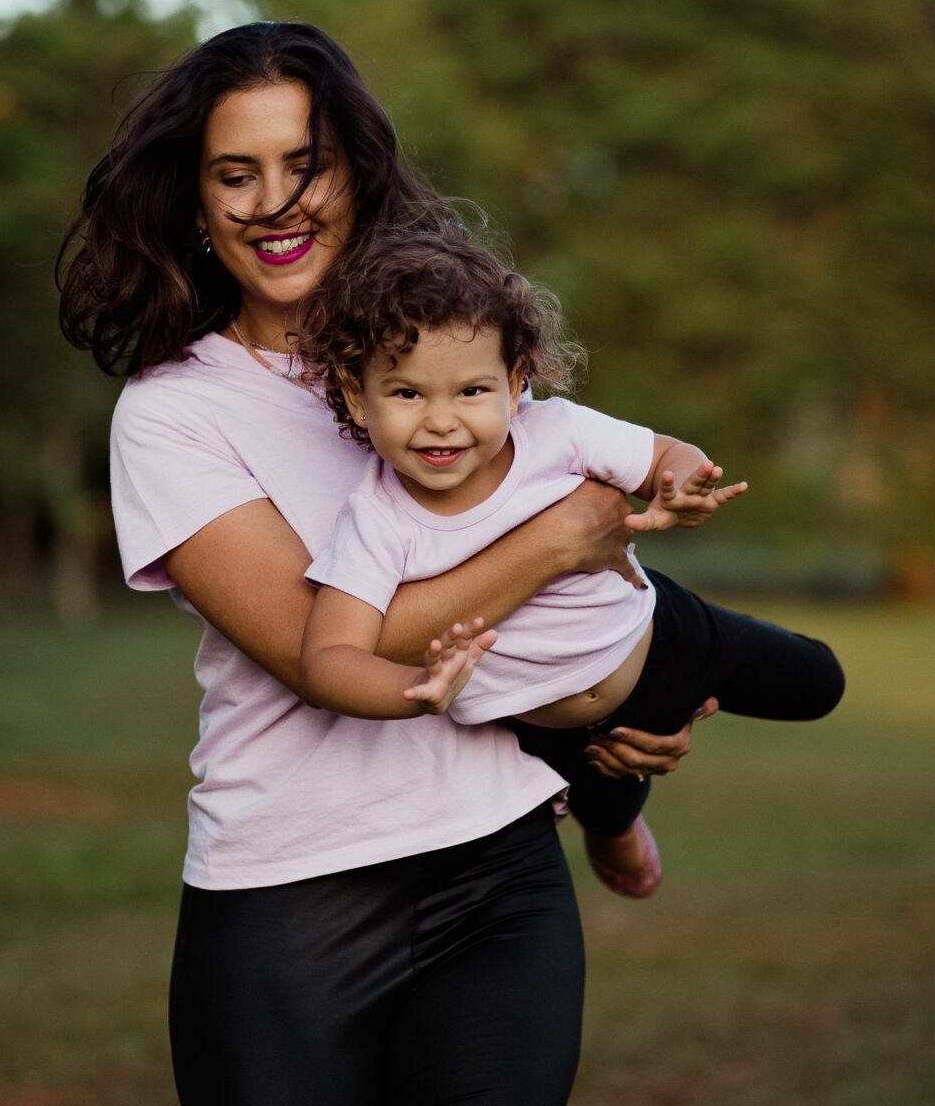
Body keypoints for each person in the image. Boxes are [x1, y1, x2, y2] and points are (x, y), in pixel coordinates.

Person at [57, 20, 705, 1106]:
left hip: (497, 874)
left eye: (307, 167)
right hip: (287, 896)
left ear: (358, 174)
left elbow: (557, 591)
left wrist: (610, 727)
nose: (277, 203)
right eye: (237, 174)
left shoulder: (447, 354)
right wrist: (556, 542)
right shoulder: (172, 413)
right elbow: (322, 651)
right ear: (195, 202)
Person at [296, 229, 845, 897]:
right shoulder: (377, 520)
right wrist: (413, 692)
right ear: (357, 395)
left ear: (515, 381)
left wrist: (682, 482)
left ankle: (659, 756)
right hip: (551, 729)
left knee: (819, 682)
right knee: (608, 797)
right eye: (408, 395)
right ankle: (610, 831)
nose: (441, 421)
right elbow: (328, 659)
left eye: (471, 392)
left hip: (659, 637)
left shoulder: (555, 432)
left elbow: (664, 454)